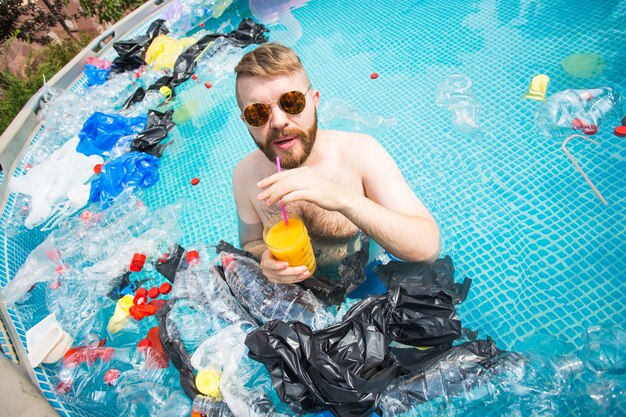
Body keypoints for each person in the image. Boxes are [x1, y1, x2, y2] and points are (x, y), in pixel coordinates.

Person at [232, 42, 440, 284]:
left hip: (368, 278)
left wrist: (342, 198)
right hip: (300, 295)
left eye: (291, 102)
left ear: (315, 100)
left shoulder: (360, 152)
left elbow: (428, 248)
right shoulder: (245, 176)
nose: (278, 121)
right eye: (258, 113)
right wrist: (265, 257)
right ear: (246, 121)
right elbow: (250, 243)